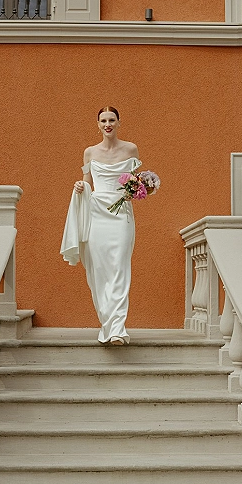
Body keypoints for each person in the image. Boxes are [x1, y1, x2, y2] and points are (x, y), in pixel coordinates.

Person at [61, 106, 140, 345]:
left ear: (118, 123)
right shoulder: (89, 153)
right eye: (103, 120)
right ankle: (107, 324)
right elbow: (87, 181)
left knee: (119, 267)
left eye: (112, 120)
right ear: (98, 124)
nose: (108, 124)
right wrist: (80, 187)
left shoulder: (131, 149)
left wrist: (135, 191)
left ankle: (117, 328)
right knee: (98, 269)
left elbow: (136, 183)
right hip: (97, 212)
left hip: (121, 214)